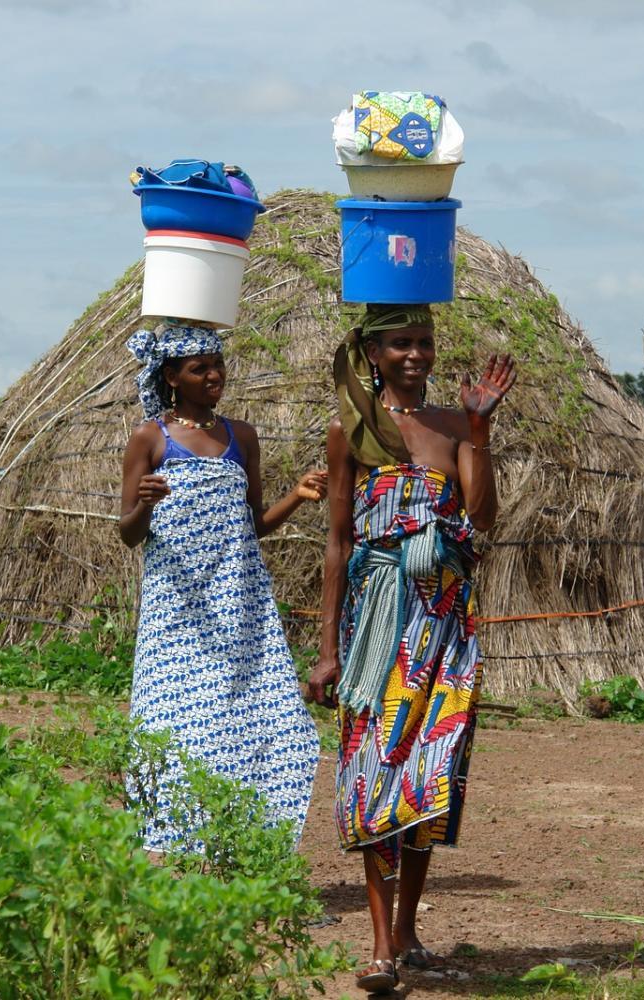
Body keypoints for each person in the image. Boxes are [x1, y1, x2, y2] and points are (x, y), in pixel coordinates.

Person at [308, 304, 515, 994]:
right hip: (377, 632)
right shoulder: (352, 434)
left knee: (429, 777)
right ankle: (377, 948)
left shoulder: (456, 428)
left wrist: (480, 426)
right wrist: (327, 648)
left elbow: (481, 517)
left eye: (424, 342)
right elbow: (339, 543)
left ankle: (405, 931)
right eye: (401, 343)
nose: (415, 355)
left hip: (447, 628)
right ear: (372, 352)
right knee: (374, 775)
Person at [117, 322, 328, 854]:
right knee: (178, 721)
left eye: (217, 364)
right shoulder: (150, 437)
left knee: (259, 714)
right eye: (199, 368)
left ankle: (250, 848)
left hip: (240, 602)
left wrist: (298, 496)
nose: (214, 376)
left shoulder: (242, 436)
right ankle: (175, 847)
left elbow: (252, 523)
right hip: (178, 607)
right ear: (171, 376)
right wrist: (144, 503)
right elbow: (127, 534)